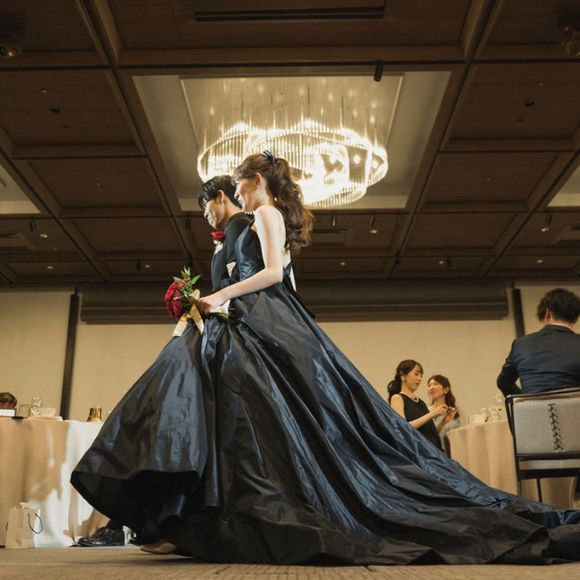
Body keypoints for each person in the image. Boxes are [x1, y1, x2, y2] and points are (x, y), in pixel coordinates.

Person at [73, 152, 580, 565]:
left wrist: (220, 297)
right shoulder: (254, 220)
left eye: (240, 183)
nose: (237, 192)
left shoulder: (264, 213)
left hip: (259, 312)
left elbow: (275, 275)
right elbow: (287, 282)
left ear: (254, 182)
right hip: (257, 317)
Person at [497, 288, 580, 396]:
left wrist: (525, 400)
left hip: (531, 407)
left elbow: (503, 383)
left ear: (547, 313)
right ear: (575, 318)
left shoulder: (521, 344)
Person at [198, 174, 252, 290]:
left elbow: (238, 274)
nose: (205, 214)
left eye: (205, 205)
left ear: (220, 197)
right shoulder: (233, 226)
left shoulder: (239, 224)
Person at [387, 360, 446, 451]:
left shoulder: (421, 402)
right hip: (418, 452)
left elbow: (428, 433)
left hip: (433, 450)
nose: (419, 378)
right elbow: (402, 427)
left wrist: (443, 423)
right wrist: (432, 414)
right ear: (403, 376)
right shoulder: (397, 398)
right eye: (416, 374)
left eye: (421, 376)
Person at [427, 374, 461, 453]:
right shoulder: (426, 411)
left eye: (435, 384)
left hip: (455, 451)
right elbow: (427, 436)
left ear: (446, 389)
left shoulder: (455, 410)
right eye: (429, 385)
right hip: (434, 452)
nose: (431, 387)